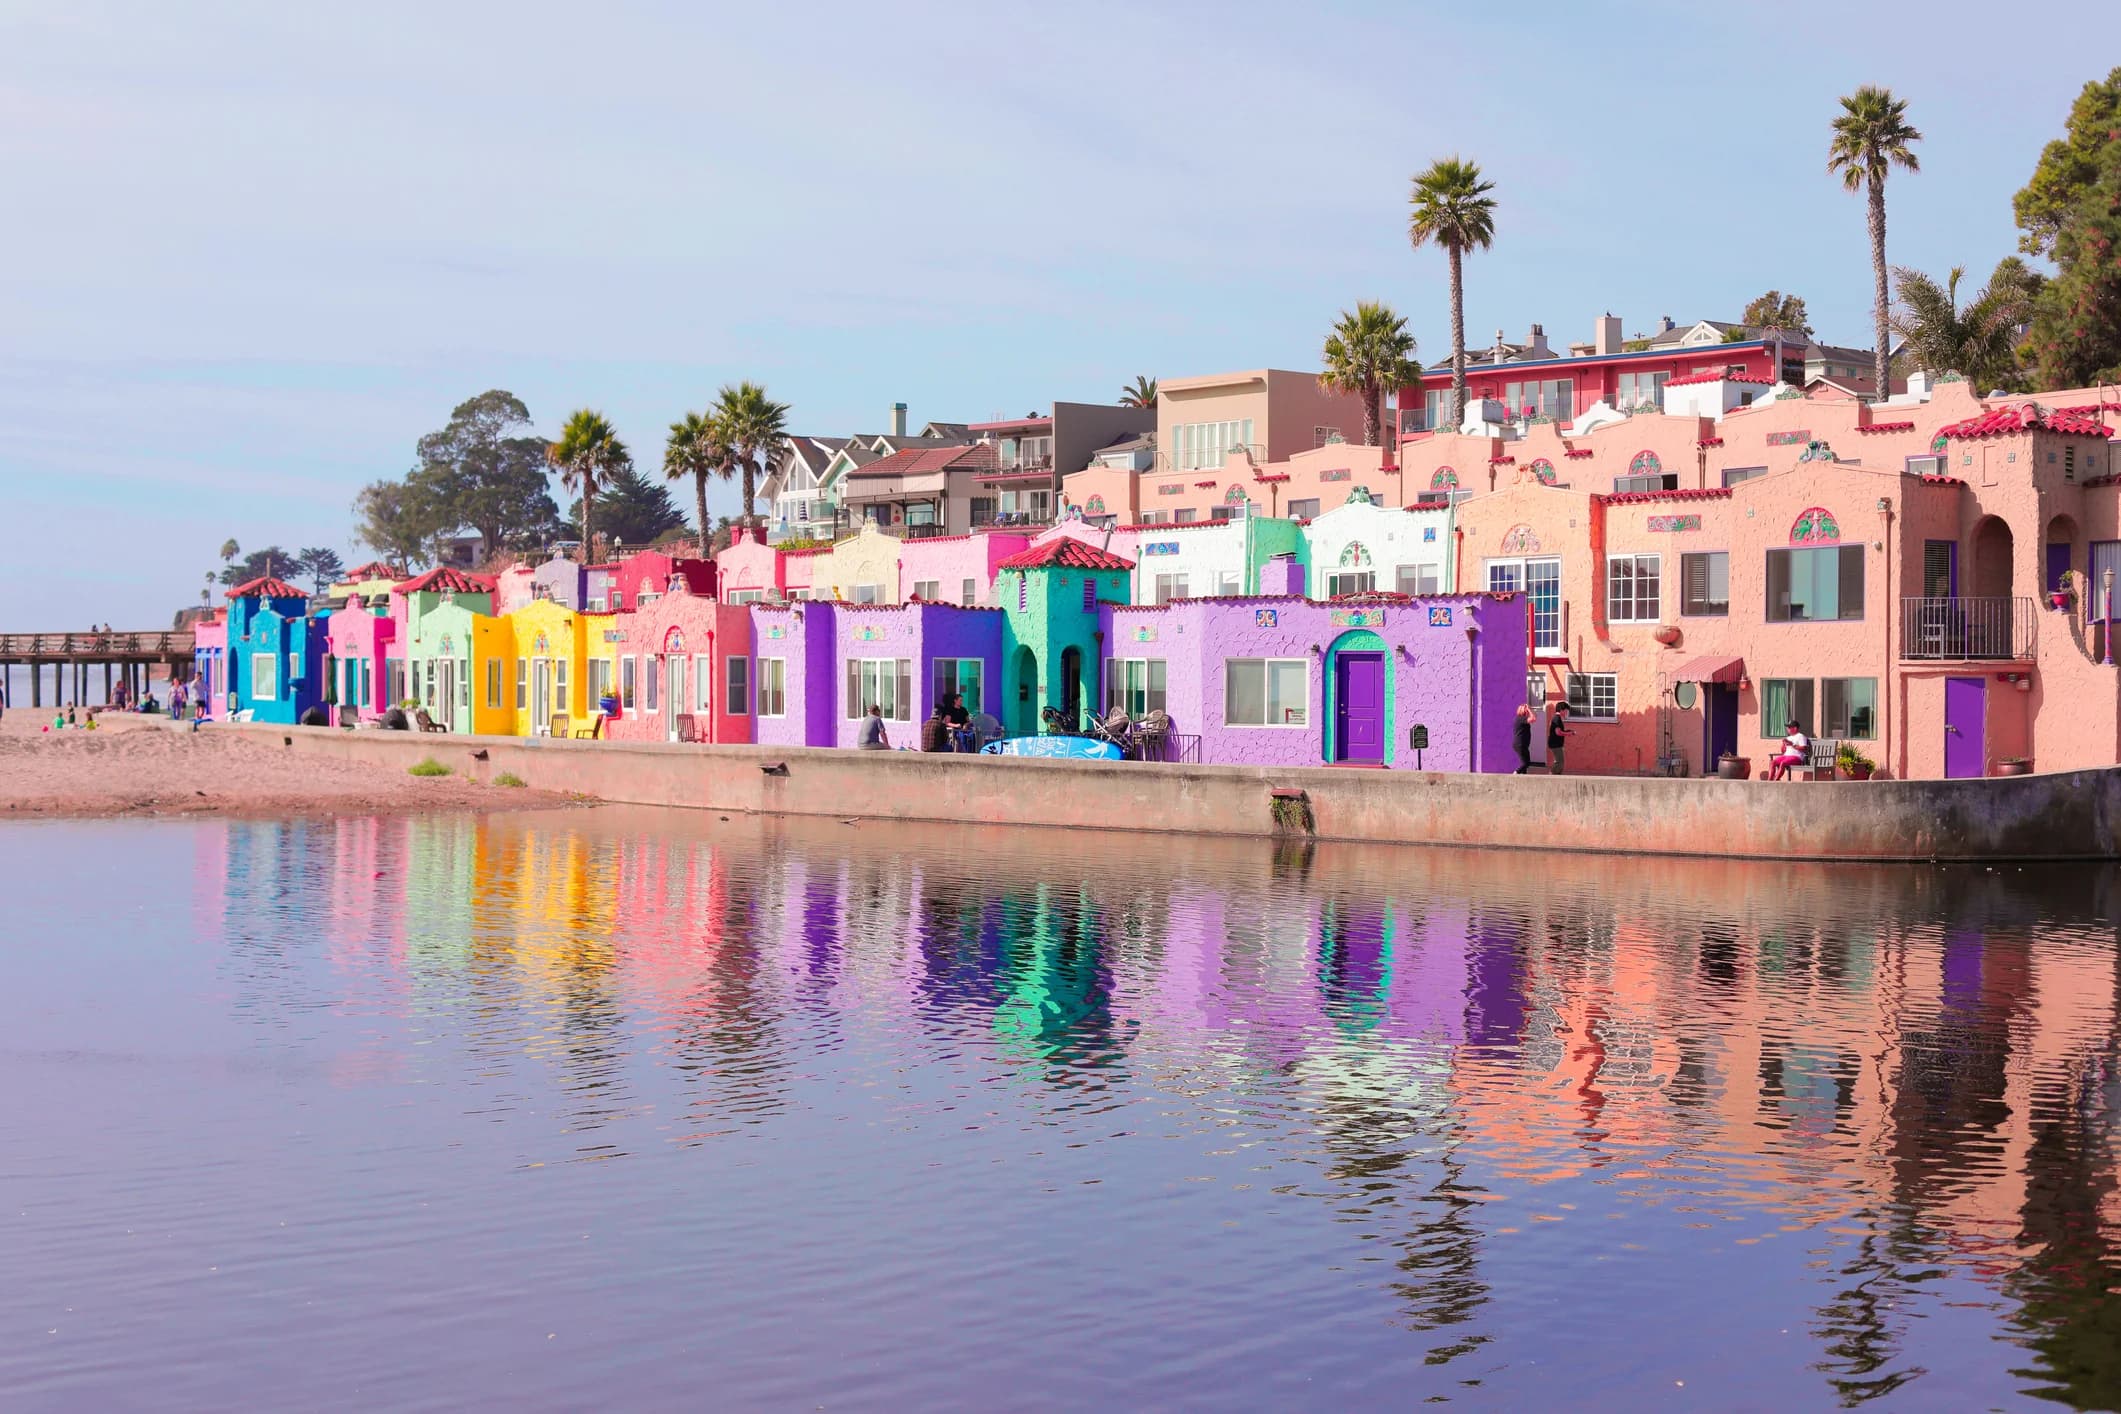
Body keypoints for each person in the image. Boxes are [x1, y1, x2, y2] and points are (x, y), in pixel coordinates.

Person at [1546, 701, 1571, 775]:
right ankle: (1551, 775)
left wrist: (1567, 732)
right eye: (1566, 711)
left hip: (1556, 743)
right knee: (1559, 762)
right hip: (1555, 744)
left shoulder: (1557, 718)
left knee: (1559, 762)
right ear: (1561, 710)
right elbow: (1558, 732)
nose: (1566, 713)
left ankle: (1556, 775)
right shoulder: (1557, 719)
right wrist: (1568, 734)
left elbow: (1559, 731)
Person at [1511, 703, 1534, 774]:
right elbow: (1533, 718)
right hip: (1520, 744)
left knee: (1524, 762)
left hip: (1521, 744)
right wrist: (1529, 710)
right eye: (1526, 711)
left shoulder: (1519, 719)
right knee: (1526, 763)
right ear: (1524, 711)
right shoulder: (1521, 718)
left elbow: (1534, 717)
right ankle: (1516, 772)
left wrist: (1529, 710)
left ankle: (1523, 776)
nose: (1528, 712)